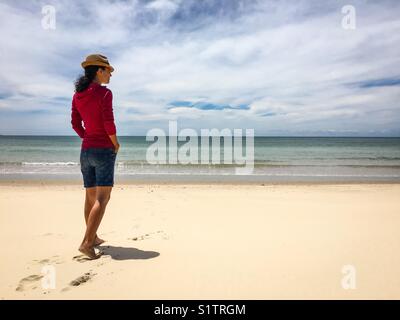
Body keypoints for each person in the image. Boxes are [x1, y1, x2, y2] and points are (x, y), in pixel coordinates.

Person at [71, 54, 120, 259]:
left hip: (86, 150)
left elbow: (75, 124)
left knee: (90, 197)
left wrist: (87, 137)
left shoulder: (77, 95)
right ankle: (87, 243)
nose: (110, 74)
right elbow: (108, 122)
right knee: (103, 198)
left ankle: (94, 236)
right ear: (99, 70)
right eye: (108, 70)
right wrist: (115, 143)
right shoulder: (104, 94)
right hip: (103, 149)